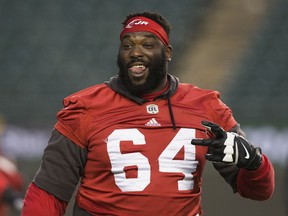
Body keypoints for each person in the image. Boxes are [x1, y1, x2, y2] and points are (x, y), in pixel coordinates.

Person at [21, 11, 274, 216]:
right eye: (127, 45)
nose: (136, 52)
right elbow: (48, 193)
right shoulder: (85, 108)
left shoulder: (206, 106)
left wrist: (254, 163)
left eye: (147, 44)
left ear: (167, 53)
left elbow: (259, 191)